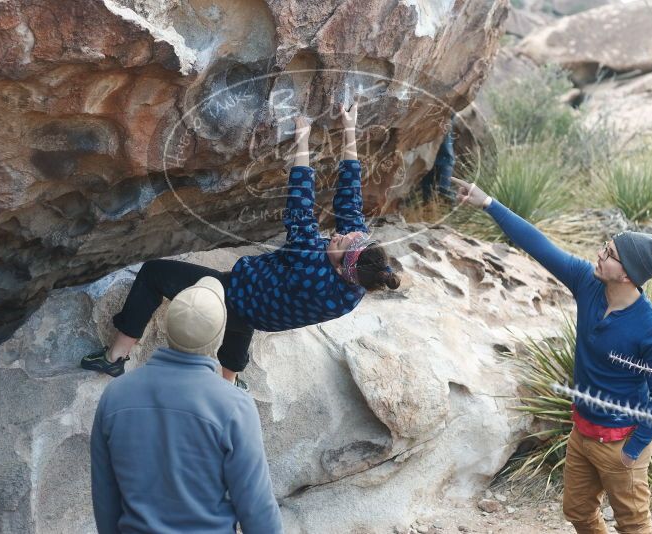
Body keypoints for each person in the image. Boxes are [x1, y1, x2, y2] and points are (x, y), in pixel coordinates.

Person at [81, 102, 401, 386]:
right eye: (349, 234)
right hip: (268, 312)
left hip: (239, 294)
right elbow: (350, 199)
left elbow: (300, 207)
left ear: (342, 267)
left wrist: (302, 141)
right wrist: (349, 131)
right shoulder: (359, 277)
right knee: (246, 318)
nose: (339, 235)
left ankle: (115, 357)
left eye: (340, 243)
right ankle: (229, 381)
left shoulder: (310, 265)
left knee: (154, 273)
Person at [452, 177, 652, 534]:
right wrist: (489, 203)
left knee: (634, 526)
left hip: (621, 443)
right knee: (578, 513)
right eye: (605, 247)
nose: (600, 255)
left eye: (610, 255)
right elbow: (539, 245)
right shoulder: (588, 283)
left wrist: (632, 451)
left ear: (630, 275)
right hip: (582, 434)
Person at [90, 277, 283, 534]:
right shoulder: (234, 406)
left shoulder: (115, 395)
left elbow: (105, 497)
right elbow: (257, 510)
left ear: (169, 329)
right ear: (218, 339)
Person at [420, 112, 457, 203]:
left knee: (444, 190)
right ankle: (430, 209)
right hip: (428, 158)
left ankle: (449, 204)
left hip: (444, 159)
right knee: (427, 192)